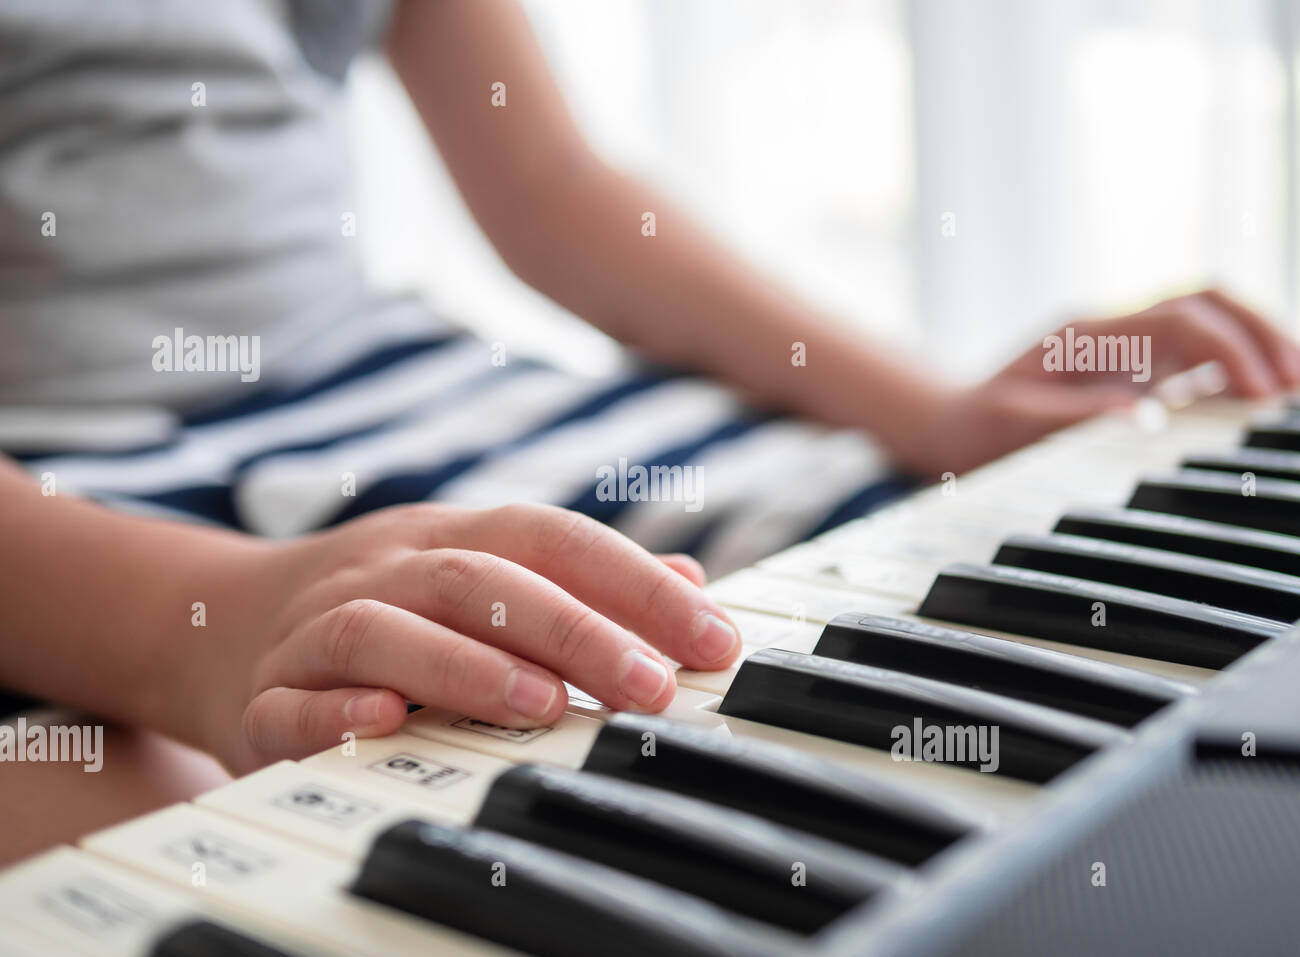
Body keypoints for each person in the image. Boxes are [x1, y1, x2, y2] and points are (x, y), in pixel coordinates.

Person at [1, 0, 1296, 863]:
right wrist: (205, 636)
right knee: (232, 836)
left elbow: (552, 185)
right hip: (54, 511)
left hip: (418, 386)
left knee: (908, 557)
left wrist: (938, 413)